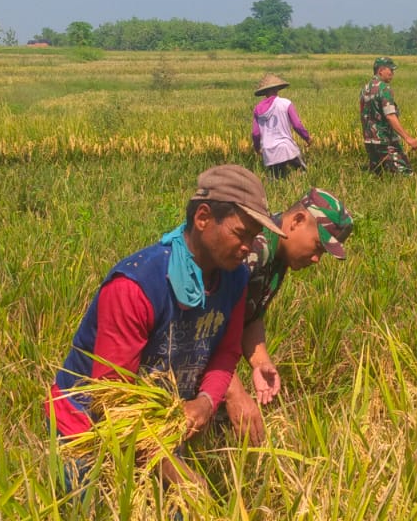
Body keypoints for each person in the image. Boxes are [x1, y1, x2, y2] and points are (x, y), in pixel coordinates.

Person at [47, 165, 272, 476]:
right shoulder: (136, 286)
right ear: (203, 218)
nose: (248, 247)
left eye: (254, 237)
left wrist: (205, 403)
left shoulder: (235, 278)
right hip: (89, 423)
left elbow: (227, 352)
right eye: (240, 233)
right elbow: (112, 402)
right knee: (95, 502)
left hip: (158, 424)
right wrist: (177, 476)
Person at [241, 188, 354, 407]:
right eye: (318, 247)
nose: (316, 259)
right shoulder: (254, 249)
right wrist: (233, 393)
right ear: (297, 221)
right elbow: (205, 327)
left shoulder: (278, 255)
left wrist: (261, 363)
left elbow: (251, 318)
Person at [360, 57, 417, 175]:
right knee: (405, 173)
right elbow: (390, 116)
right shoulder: (383, 88)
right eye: (390, 70)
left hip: (369, 140)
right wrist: (408, 138)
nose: (392, 73)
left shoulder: (365, 89)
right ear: (381, 70)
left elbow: (363, 114)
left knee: (378, 175)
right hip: (385, 140)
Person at [251, 73, 313, 179]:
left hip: (269, 151)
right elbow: (297, 125)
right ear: (277, 89)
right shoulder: (285, 103)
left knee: (276, 179)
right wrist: (307, 138)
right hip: (286, 147)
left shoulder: (257, 109)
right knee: (304, 174)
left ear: (264, 92)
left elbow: (255, 133)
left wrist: (257, 148)